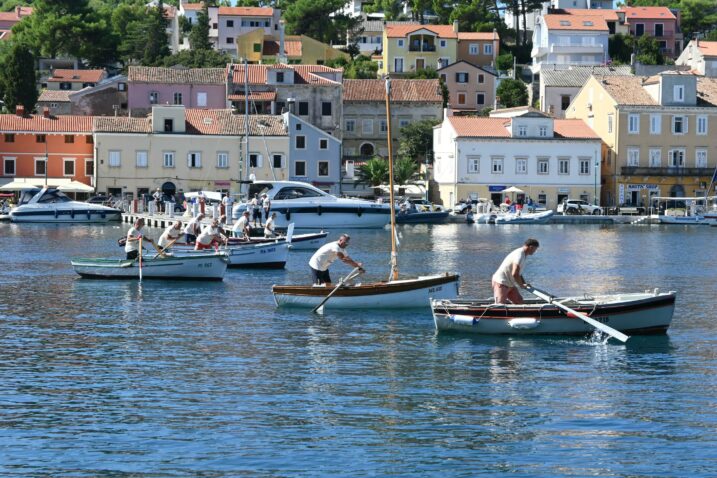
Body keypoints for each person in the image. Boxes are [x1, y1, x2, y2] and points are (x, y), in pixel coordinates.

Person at [491, 238, 539, 305]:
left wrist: (524, 283)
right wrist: (521, 285)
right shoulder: (519, 254)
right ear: (531, 247)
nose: (535, 251)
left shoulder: (524, 255)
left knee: (519, 301)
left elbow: (519, 273)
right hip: (501, 282)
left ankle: (520, 314)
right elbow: (515, 273)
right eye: (535, 249)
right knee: (500, 304)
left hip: (510, 283)